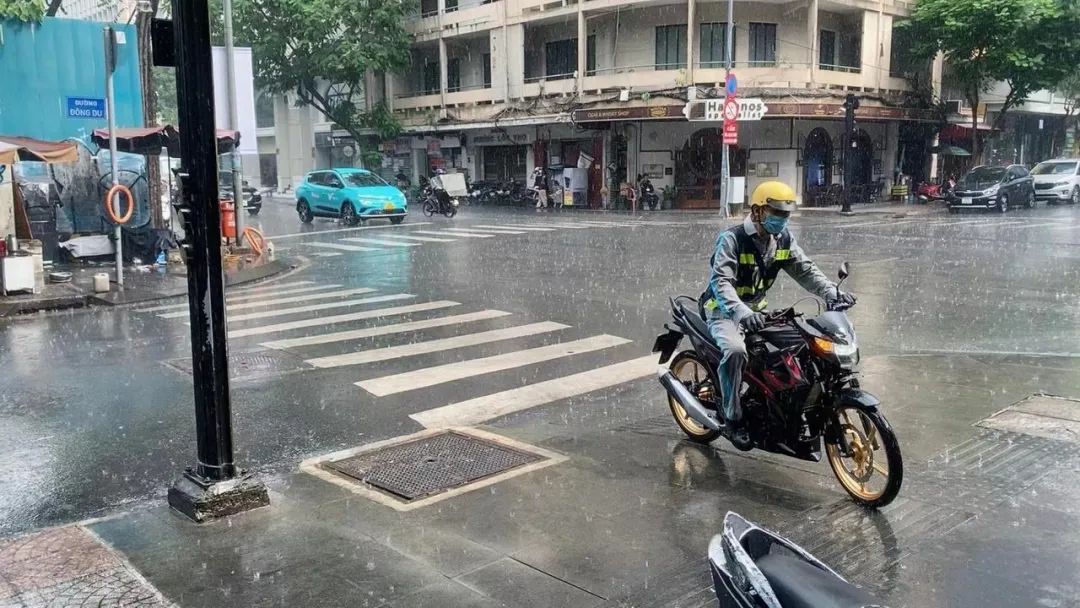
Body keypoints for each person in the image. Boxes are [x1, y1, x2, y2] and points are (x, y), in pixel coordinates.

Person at [702, 181, 856, 444]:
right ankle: (732, 416)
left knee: (807, 343)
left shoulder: (783, 239)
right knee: (736, 351)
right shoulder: (732, 239)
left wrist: (832, 292)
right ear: (757, 210)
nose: (782, 219)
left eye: (786, 214)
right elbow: (721, 283)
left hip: (759, 314)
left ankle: (782, 404)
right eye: (777, 213)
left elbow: (805, 270)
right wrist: (741, 313)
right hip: (724, 312)